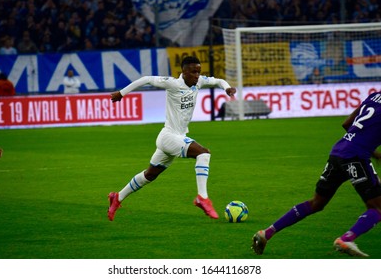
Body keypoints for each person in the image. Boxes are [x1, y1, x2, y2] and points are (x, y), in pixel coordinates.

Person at [251, 91, 381, 257]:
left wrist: (370, 148)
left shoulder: (373, 96)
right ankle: (346, 239)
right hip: (356, 157)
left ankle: (266, 233)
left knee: (316, 203)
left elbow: (347, 123)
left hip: (338, 152)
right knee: (378, 208)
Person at [107, 56, 236, 221]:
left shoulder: (199, 82)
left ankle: (117, 197)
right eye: (193, 72)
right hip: (169, 136)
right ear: (183, 71)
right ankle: (202, 198)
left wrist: (227, 88)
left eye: (198, 71)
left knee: (150, 175)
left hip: (175, 138)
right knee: (203, 154)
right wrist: (121, 93)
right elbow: (146, 79)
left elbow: (218, 81)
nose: (197, 75)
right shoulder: (173, 84)